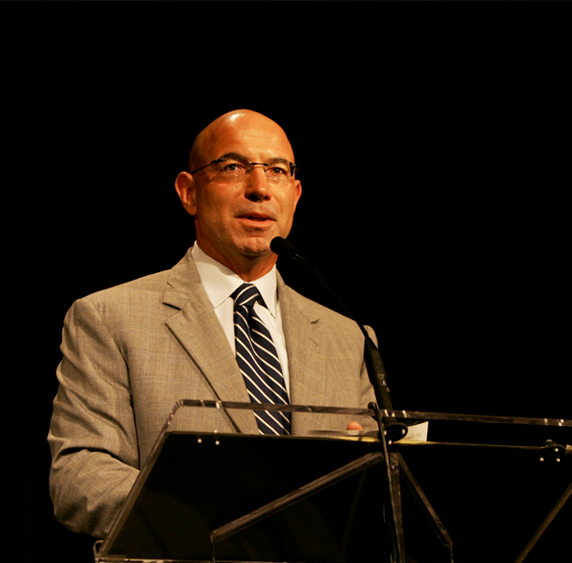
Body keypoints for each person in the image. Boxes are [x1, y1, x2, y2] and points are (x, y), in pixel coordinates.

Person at [48, 109, 379, 540]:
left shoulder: (348, 338)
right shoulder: (109, 318)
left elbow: (376, 491)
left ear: (295, 194)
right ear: (189, 192)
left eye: (277, 171)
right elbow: (80, 475)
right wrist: (206, 522)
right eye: (233, 167)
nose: (260, 188)